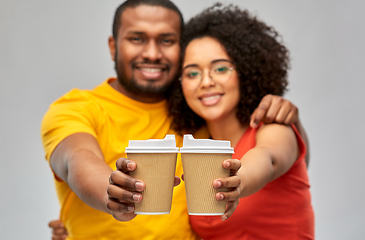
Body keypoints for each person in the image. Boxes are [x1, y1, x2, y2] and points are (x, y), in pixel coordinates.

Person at [42, 1, 310, 239]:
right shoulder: (77, 108)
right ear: (113, 46)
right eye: (136, 38)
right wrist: (111, 193)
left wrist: (293, 123)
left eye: (167, 40)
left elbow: (276, 161)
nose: (152, 53)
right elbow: (76, 159)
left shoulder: (195, 121)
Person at [166, 3, 314, 239]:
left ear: (245, 70)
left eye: (220, 69)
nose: (206, 82)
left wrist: (237, 183)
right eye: (193, 73)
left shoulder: (273, 128)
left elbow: (266, 159)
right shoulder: (197, 146)